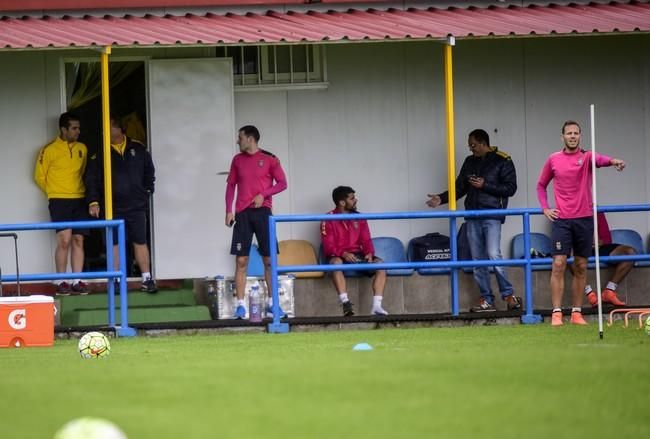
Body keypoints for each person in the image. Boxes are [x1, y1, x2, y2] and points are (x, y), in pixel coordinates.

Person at [537, 120, 626, 326]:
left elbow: (601, 159)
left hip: (584, 219)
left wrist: (614, 161)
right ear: (562, 137)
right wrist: (545, 208)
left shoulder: (586, 157)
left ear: (580, 136)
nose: (573, 136)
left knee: (581, 265)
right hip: (562, 220)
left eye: (576, 133)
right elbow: (541, 185)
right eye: (569, 133)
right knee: (558, 264)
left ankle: (577, 313)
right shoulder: (553, 159)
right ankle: (557, 313)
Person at [426, 129, 521, 312]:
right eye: (470, 146)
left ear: (483, 143)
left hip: (492, 214)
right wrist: (442, 198)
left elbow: (510, 188)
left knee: (494, 254)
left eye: (473, 145)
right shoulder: (469, 161)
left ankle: (509, 295)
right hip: (472, 215)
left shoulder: (503, 160)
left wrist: (485, 185)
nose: (471, 149)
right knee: (477, 260)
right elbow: (460, 186)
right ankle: (487, 299)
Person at [85, 116, 157, 293]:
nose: (104, 132)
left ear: (118, 129)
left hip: (136, 206)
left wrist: (146, 191)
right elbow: (91, 179)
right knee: (114, 243)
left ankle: (146, 278)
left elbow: (150, 172)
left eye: (107, 127)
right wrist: (94, 201)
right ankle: (116, 278)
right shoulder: (101, 153)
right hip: (112, 207)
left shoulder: (138, 149)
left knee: (140, 241)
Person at [225, 125, 288, 319]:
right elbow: (231, 186)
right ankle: (241, 306)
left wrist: (264, 194)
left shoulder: (270, 159)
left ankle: (272, 304)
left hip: (263, 213)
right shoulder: (237, 160)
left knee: (269, 260)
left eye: (240, 137)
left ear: (250, 139)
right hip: (243, 214)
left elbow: (283, 183)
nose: (238, 141)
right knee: (241, 260)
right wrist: (229, 210)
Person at [34, 112, 90, 295]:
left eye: (79, 128)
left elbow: (82, 172)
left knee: (78, 239)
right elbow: (39, 176)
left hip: (79, 198)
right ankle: (61, 281)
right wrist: (54, 192)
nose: (78, 131)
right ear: (63, 129)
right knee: (64, 240)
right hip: (59, 200)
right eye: (74, 128)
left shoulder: (83, 148)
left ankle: (78, 280)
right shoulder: (49, 149)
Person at [320, 186, 388, 316]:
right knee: (335, 263)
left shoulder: (359, 217)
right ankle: (345, 303)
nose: (355, 200)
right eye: (352, 198)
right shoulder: (328, 218)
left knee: (381, 265)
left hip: (357, 256)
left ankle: (377, 306)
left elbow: (366, 240)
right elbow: (328, 246)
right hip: (339, 255)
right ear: (342, 202)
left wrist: (369, 253)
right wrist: (343, 253)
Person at [567, 212, 629, 307]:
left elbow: (607, 239)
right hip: (579, 249)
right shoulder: (568, 210)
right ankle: (590, 294)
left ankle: (609, 291)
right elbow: (565, 240)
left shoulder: (596, 210)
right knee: (568, 256)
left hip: (599, 248)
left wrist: (599, 242)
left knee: (629, 252)